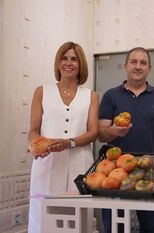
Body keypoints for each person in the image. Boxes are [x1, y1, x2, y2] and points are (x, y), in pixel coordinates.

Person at [98, 47, 154, 233]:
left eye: (143, 63)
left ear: (149, 68)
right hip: (116, 170)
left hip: (150, 170)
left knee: (151, 227)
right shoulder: (111, 96)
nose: (138, 66)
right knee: (115, 227)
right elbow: (101, 134)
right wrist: (115, 132)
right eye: (134, 62)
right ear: (125, 65)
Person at [27, 41, 99, 233]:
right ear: (58, 63)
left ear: (81, 64)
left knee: (79, 217)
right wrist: (37, 144)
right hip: (48, 161)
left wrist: (70, 143)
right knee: (45, 217)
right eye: (64, 58)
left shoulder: (90, 95)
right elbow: (33, 130)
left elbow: (93, 132)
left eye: (74, 59)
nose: (69, 63)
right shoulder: (42, 91)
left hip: (80, 162)